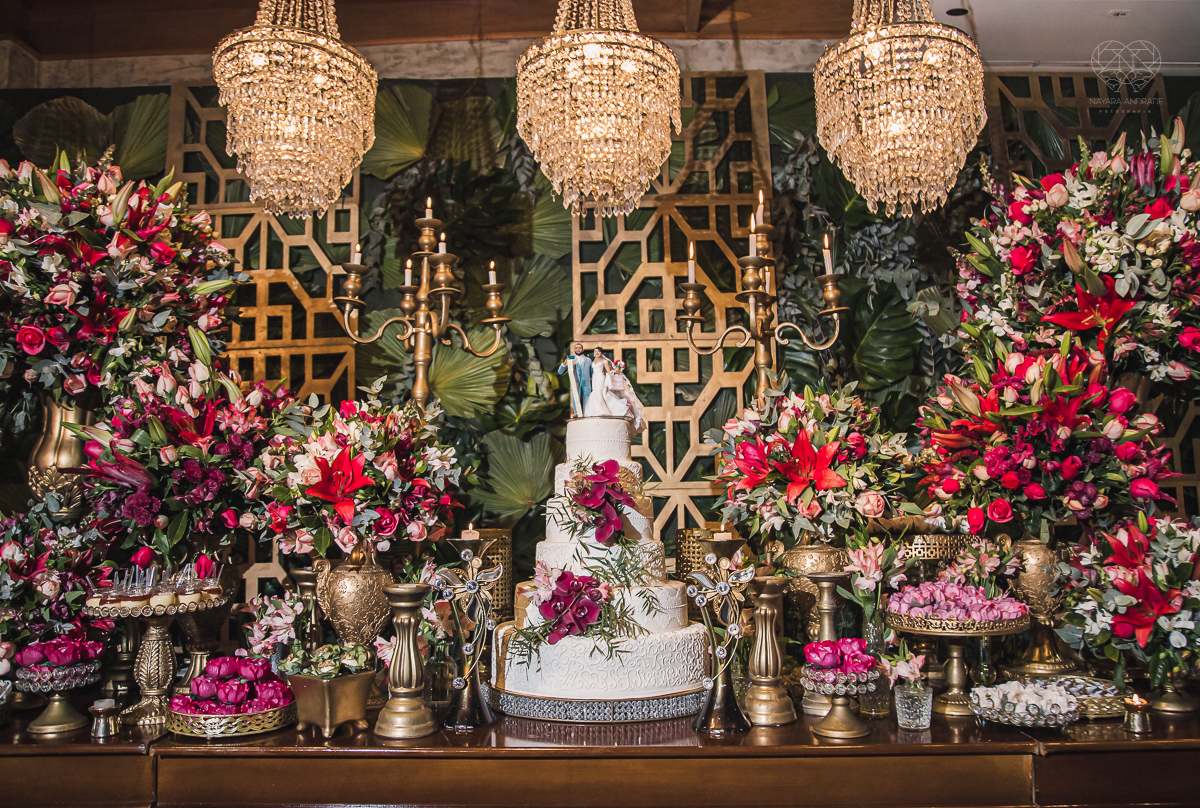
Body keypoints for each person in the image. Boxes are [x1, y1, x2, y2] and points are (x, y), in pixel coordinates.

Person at [603, 360, 645, 432]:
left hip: (620, 393)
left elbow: (627, 390)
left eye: (618, 367)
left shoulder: (621, 377)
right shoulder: (612, 375)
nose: (616, 369)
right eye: (615, 367)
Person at [557, 341, 592, 418]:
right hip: (576, 381)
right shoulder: (571, 358)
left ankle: (588, 412)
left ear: (582, 350)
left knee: (588, 397)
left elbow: (591, 372)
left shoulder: (588, 360)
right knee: (576, 396)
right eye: (576, 348)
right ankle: (577, 413)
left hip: (586, 382)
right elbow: (560, 372)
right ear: (574, 349)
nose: (578, 349)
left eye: (580, 348)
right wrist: (564, 363)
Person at [584, 347, 614, 417]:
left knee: (599, 392)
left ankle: (602, 409)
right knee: (595, 392)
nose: (596, 353)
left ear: (601, 353)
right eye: (595, 352)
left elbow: (608, 371)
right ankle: (595, 410)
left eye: (598, 351)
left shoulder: (604, 361)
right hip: (595, 378)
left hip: (601, 377)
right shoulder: (593, 362)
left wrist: (605, 373)